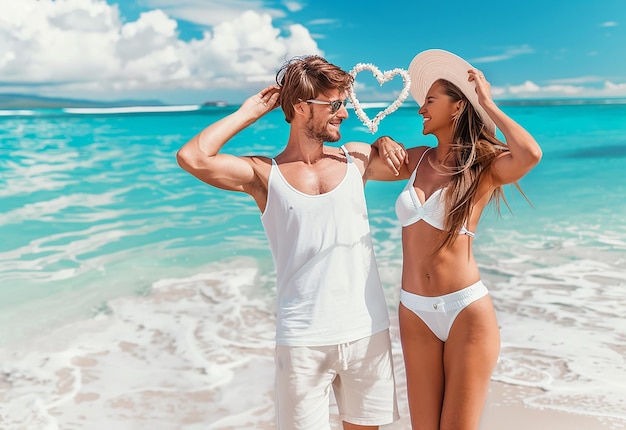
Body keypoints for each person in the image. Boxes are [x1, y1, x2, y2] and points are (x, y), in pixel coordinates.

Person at [176, 55, 403, 430]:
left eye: (344, 104)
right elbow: (192, 157)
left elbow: (433, 162)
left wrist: (384, 140)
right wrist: (248, 112)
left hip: (366, 331)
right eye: (334, 105)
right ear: (300, 107)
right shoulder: (265, 174)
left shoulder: (358, 157)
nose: (344, 114)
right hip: (302, 340)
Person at [375, 49, 542, 429]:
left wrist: (487, 103)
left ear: (456, 108)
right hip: (413, 310)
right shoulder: (415, 160)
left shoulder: (483, 166)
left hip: (465, 311)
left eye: (430, 101)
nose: (421, 110)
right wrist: (382, 139)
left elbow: (530, 154)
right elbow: (357, 164)